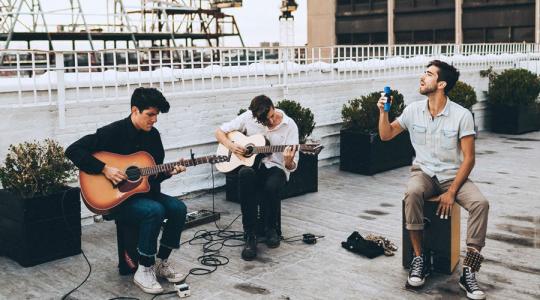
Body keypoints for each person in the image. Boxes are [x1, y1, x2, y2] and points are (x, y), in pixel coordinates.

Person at [377, 60, 489, 300]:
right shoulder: (412, 111)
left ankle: (468, 271)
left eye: (428, 74)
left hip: (453, 176)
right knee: (412, 192)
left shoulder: (461, 115)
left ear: (441, 84)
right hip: (424, 173)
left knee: (481, 204)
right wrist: (383, 113)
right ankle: (420, 259)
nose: (422, 77)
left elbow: (469, 159)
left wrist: (451, 193)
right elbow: (385, 135)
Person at [65, 87, 187, 295]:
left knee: (178, 207)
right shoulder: (112, 132)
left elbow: (152, 176)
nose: (154, 120)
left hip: (143, 193)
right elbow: (73, 150)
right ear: (134, 110)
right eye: (150, 114)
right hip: (116, 200)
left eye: (157, 115)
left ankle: (161, 262)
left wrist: (170, 172)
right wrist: (104, 169)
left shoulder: (153, 136)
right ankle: (144, 268)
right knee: (154, 210)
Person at [215, 95, 299, 261]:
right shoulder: (248, 117)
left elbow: (293, 165)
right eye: (265, 121)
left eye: (271, 116)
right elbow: (219, 132)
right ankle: (250, 234)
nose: (271, 121)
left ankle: (271, 228)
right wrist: (231, 145)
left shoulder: (290, 125)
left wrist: (288, 161)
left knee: (271, 185)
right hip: (253, 166)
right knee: (245, 175)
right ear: (255, 117)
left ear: (273, 107)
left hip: (276, 167)